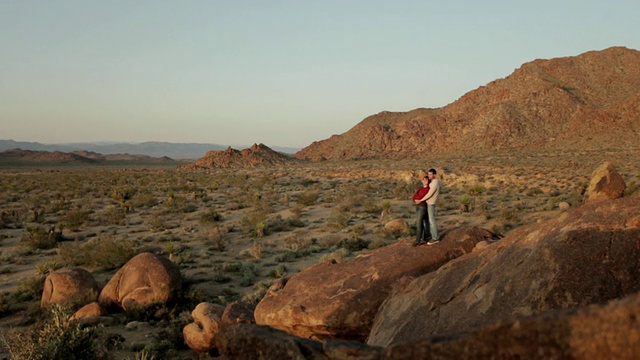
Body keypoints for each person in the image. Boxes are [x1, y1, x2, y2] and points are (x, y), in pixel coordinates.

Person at [414, 168, 442, 245]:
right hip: (429, 203)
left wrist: (421, 200)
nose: (429, 176)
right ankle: (430, 235)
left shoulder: (435, 183)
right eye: (428, 174)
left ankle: (435, 238)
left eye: (430, 174)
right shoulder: (435, 182)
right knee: (428, 220)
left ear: (434, 175)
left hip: (431, 203)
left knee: (432, 220)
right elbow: (441, 188)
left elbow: (430, 194)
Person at [411, 175, 431, 246]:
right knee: (422, 222)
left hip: (423, 207)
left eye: (426, 180)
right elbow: (414, 196)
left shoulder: (428, 189)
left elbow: (423, 196)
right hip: (418, 206)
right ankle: (423, 238)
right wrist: (416, 199)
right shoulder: (420, 189)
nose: (424, 181)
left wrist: (418, 199)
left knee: (419, 223)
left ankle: (417, 240)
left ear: (428, 181)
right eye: (423, 180)